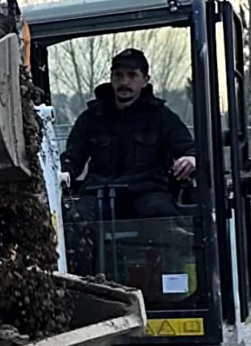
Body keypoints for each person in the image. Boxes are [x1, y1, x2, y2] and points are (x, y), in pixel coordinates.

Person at [60, 48, 196, 222]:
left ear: (145, 80)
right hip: (99, 193)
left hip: (147, 193)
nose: (124, 82)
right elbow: (73, 157)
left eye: (132, 75)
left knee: (162, 219)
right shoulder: (91, 118)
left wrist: (190, 159)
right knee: (76, 220)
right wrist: (62, 174)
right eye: (118, 75)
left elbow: (188, 149)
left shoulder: (161, 117)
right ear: (111, 78)